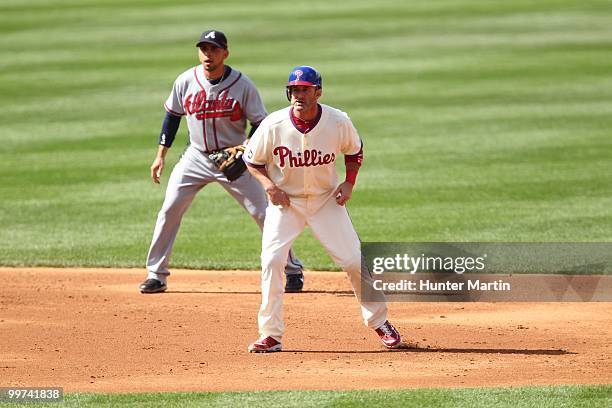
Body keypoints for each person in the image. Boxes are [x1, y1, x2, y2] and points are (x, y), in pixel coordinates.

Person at [244, 66, 402, 352]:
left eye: (305, 89)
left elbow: (355, 151)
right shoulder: (273, 124)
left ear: (318, 91)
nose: (298, 95)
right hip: (286, 205)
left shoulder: (337, 120)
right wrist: (269, 185)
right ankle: (271, 334)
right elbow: (252, 161)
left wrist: (349, 183)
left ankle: (380, 321)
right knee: (272, 261)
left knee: (353, 261)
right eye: (294, 90)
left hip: (325, 201)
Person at [140, 30, 304, 294]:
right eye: (204, 49)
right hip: (196, 156)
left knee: (264, 213)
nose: (208, 54)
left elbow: (260, 123)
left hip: (234, 157)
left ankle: (293, 269)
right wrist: (161, 154)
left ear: (225, 53)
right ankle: (156, 275)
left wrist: (246, 151)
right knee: (169, 209)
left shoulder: (242, 84)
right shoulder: (185, 81)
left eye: (214, 49)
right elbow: (172, 116)